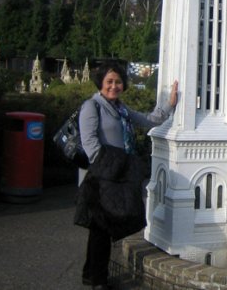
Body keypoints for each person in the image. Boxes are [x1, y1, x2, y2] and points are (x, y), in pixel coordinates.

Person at [74, 62, 178, 289]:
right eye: (109, 81)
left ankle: (90, 274)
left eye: (118, 81)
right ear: (101, 83)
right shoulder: (93, 106)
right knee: (102, 229)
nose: (114, 86)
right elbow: (90, 144)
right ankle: (98, 280)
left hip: (117, 175)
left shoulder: (120, 109)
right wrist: (112, 167)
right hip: (102, 177)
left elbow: (150, 119)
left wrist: (170, 105)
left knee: (100, 228)